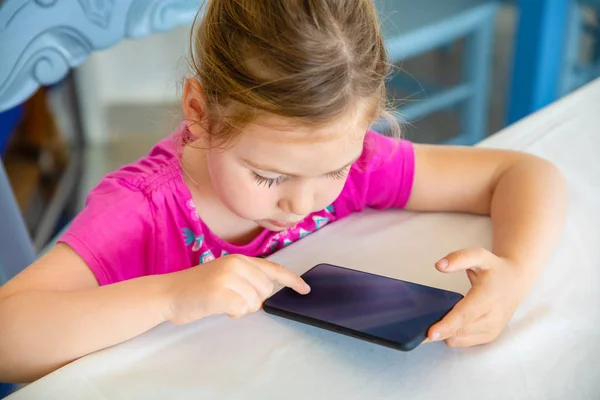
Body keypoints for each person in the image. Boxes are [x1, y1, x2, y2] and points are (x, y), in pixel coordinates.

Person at [0, 0, 566, 383]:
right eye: (269, 178)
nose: (305, 203)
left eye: (336, 170)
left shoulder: (352, 159)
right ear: (198, 112)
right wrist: (170, 295)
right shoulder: (144, 209)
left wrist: (513, 272)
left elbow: (521, 174)